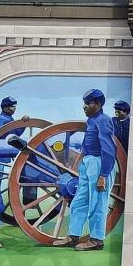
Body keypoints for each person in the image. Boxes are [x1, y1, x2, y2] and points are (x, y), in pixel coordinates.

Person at [53, 89, 117, 251]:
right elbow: (86, 143)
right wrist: (77, 162)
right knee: (79, 201)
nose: (84, 107)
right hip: (87, 163)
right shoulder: (91, 121)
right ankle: (73, 236)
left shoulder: (103, 120)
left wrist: (103, 174)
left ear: (98, 104)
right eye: (85, 103)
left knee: (97, 204)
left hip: (99, 163)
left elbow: (108, 149)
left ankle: (96, 240)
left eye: (88, 104)